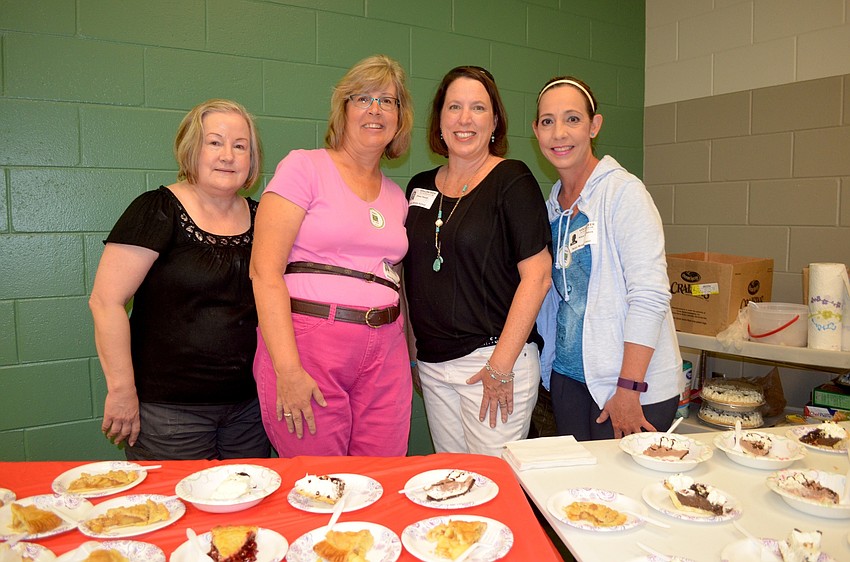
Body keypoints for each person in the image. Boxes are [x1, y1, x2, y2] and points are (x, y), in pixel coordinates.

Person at [251, 54, 414, 457]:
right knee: (319, 485)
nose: (375, 109)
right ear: (343, 109)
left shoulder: (396, 197)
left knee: (382, 479)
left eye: (388, 101)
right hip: (310, 346)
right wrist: (287, 371)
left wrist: (409, 353)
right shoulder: (304, 167)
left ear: (399, 117)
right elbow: (264, 272)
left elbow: (395, 279)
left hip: (387, 351)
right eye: (363, 98)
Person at [89, 99, 270, 460]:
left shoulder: (264, 217)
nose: (228, 155)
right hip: (169, 414)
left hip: (250, 410)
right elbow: (105, 302)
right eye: (214, 142)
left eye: (240, 146)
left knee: (251, 509)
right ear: (192, 150)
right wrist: (122, 391)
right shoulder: (157, 209)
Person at [403, 66, 552, 457]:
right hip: (433, 364)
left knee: (493, 486)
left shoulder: (512, 180)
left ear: (495, 121)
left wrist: (500, 368)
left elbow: (537, 278)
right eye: (454, 107)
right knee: (453, 483)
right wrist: (413, 352)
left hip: (493, 361)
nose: (464, 119)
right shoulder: (418, 186)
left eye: (478, 108)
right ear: (439, 121)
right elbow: (410, 274)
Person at [533, 76, 681, 441]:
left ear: (594, 125)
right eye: (548, 121)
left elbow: (650, 295)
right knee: (577, 496)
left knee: (622, 496)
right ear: (536, 132)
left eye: (572, 119)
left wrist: (630, 389)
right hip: (569, 381)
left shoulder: (624, 194)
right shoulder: (552, 207)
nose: (559, 133)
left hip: (628, 388)